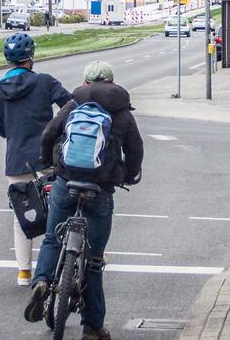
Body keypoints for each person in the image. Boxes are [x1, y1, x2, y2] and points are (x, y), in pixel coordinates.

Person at [24, 61, 144, 340]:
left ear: (86, 83)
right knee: (93, 260)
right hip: (100, 190)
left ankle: (42, 281)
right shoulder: (122, 112)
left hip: (66, 182)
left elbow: (49, 133)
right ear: (112, 82)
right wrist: (127, 175)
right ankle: (92, 327)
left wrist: (49, 162)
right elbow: (135, 149)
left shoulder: (74, 104)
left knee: (53, 239)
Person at [0, 32, 72, 286]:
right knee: (59, 209)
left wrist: (13, 135)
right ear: (31, 57)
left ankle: (23, 272)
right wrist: (57, 131)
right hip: (47, 158)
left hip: (16, 159)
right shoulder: (45, 82)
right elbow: (69, 104)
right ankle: (55, 267)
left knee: (22, 214)